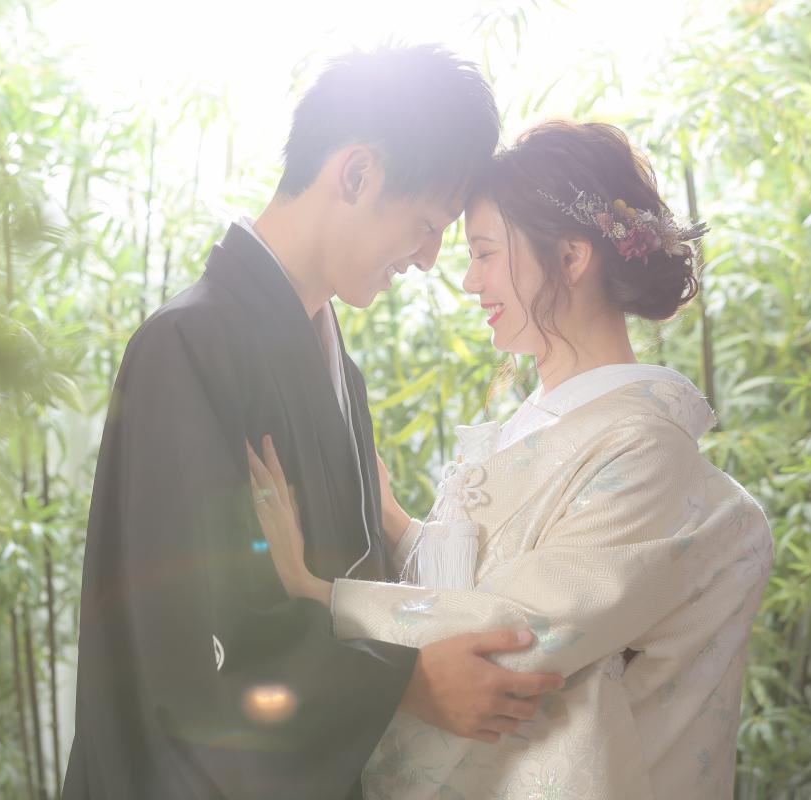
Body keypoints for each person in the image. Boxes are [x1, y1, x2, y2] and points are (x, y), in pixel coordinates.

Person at [62, 46, 564, 800]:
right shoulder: (188, 345)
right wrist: (406, 684)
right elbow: (193, 645)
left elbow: (337, 588)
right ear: (356, 173)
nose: (430, 259)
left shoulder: (337, 369)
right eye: (426, 224)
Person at [248, 120, 774, 799]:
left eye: (487, 254)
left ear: (573, 257)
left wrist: (319, 594)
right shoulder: (544, 420)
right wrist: (395, 521)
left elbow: (519, 634)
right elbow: (481, 586)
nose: (471, 281)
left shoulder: (645, 449)